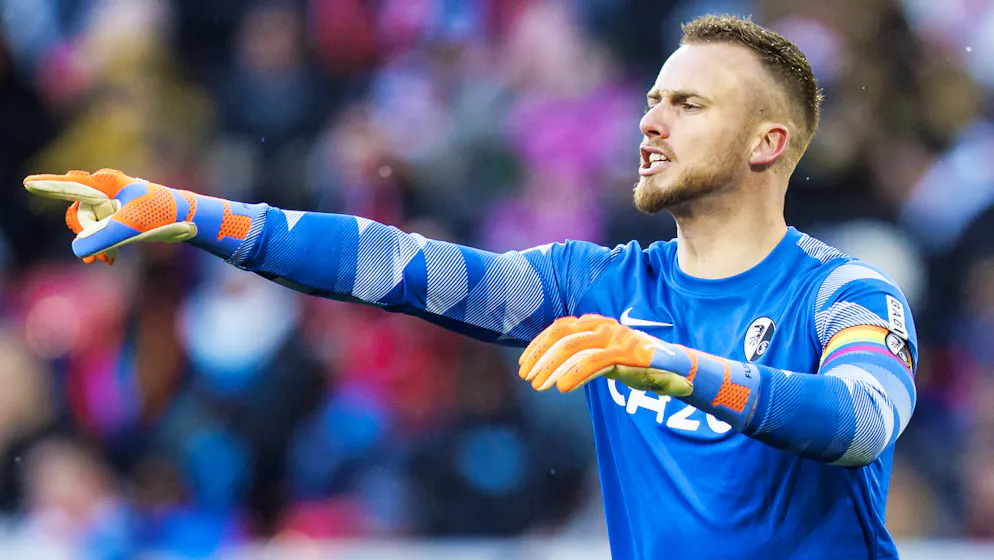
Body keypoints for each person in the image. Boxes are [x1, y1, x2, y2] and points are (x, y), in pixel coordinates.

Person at [24, 14, 917, 560]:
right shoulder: (597, 283)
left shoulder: (847, 295)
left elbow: (860, 421)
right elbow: (399, 268)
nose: (651, 119)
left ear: (767, 143)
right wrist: (201, 214)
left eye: (689, 105)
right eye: (652, 97)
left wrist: (672, 365)